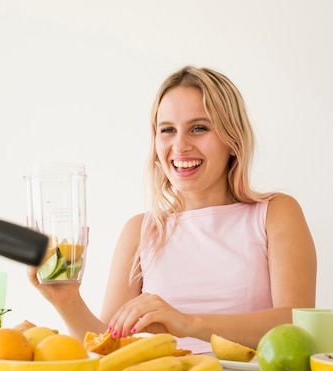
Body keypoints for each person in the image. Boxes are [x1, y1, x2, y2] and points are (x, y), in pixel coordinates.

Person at [28, 66, 316, 352]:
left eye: (199, 128)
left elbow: (297, 324)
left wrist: (187, 323)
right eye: (167, 130)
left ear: (233, 140)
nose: (180, 146)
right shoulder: (140, 230)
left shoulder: (275, 213)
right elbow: (107, 346)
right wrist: (66, 301)